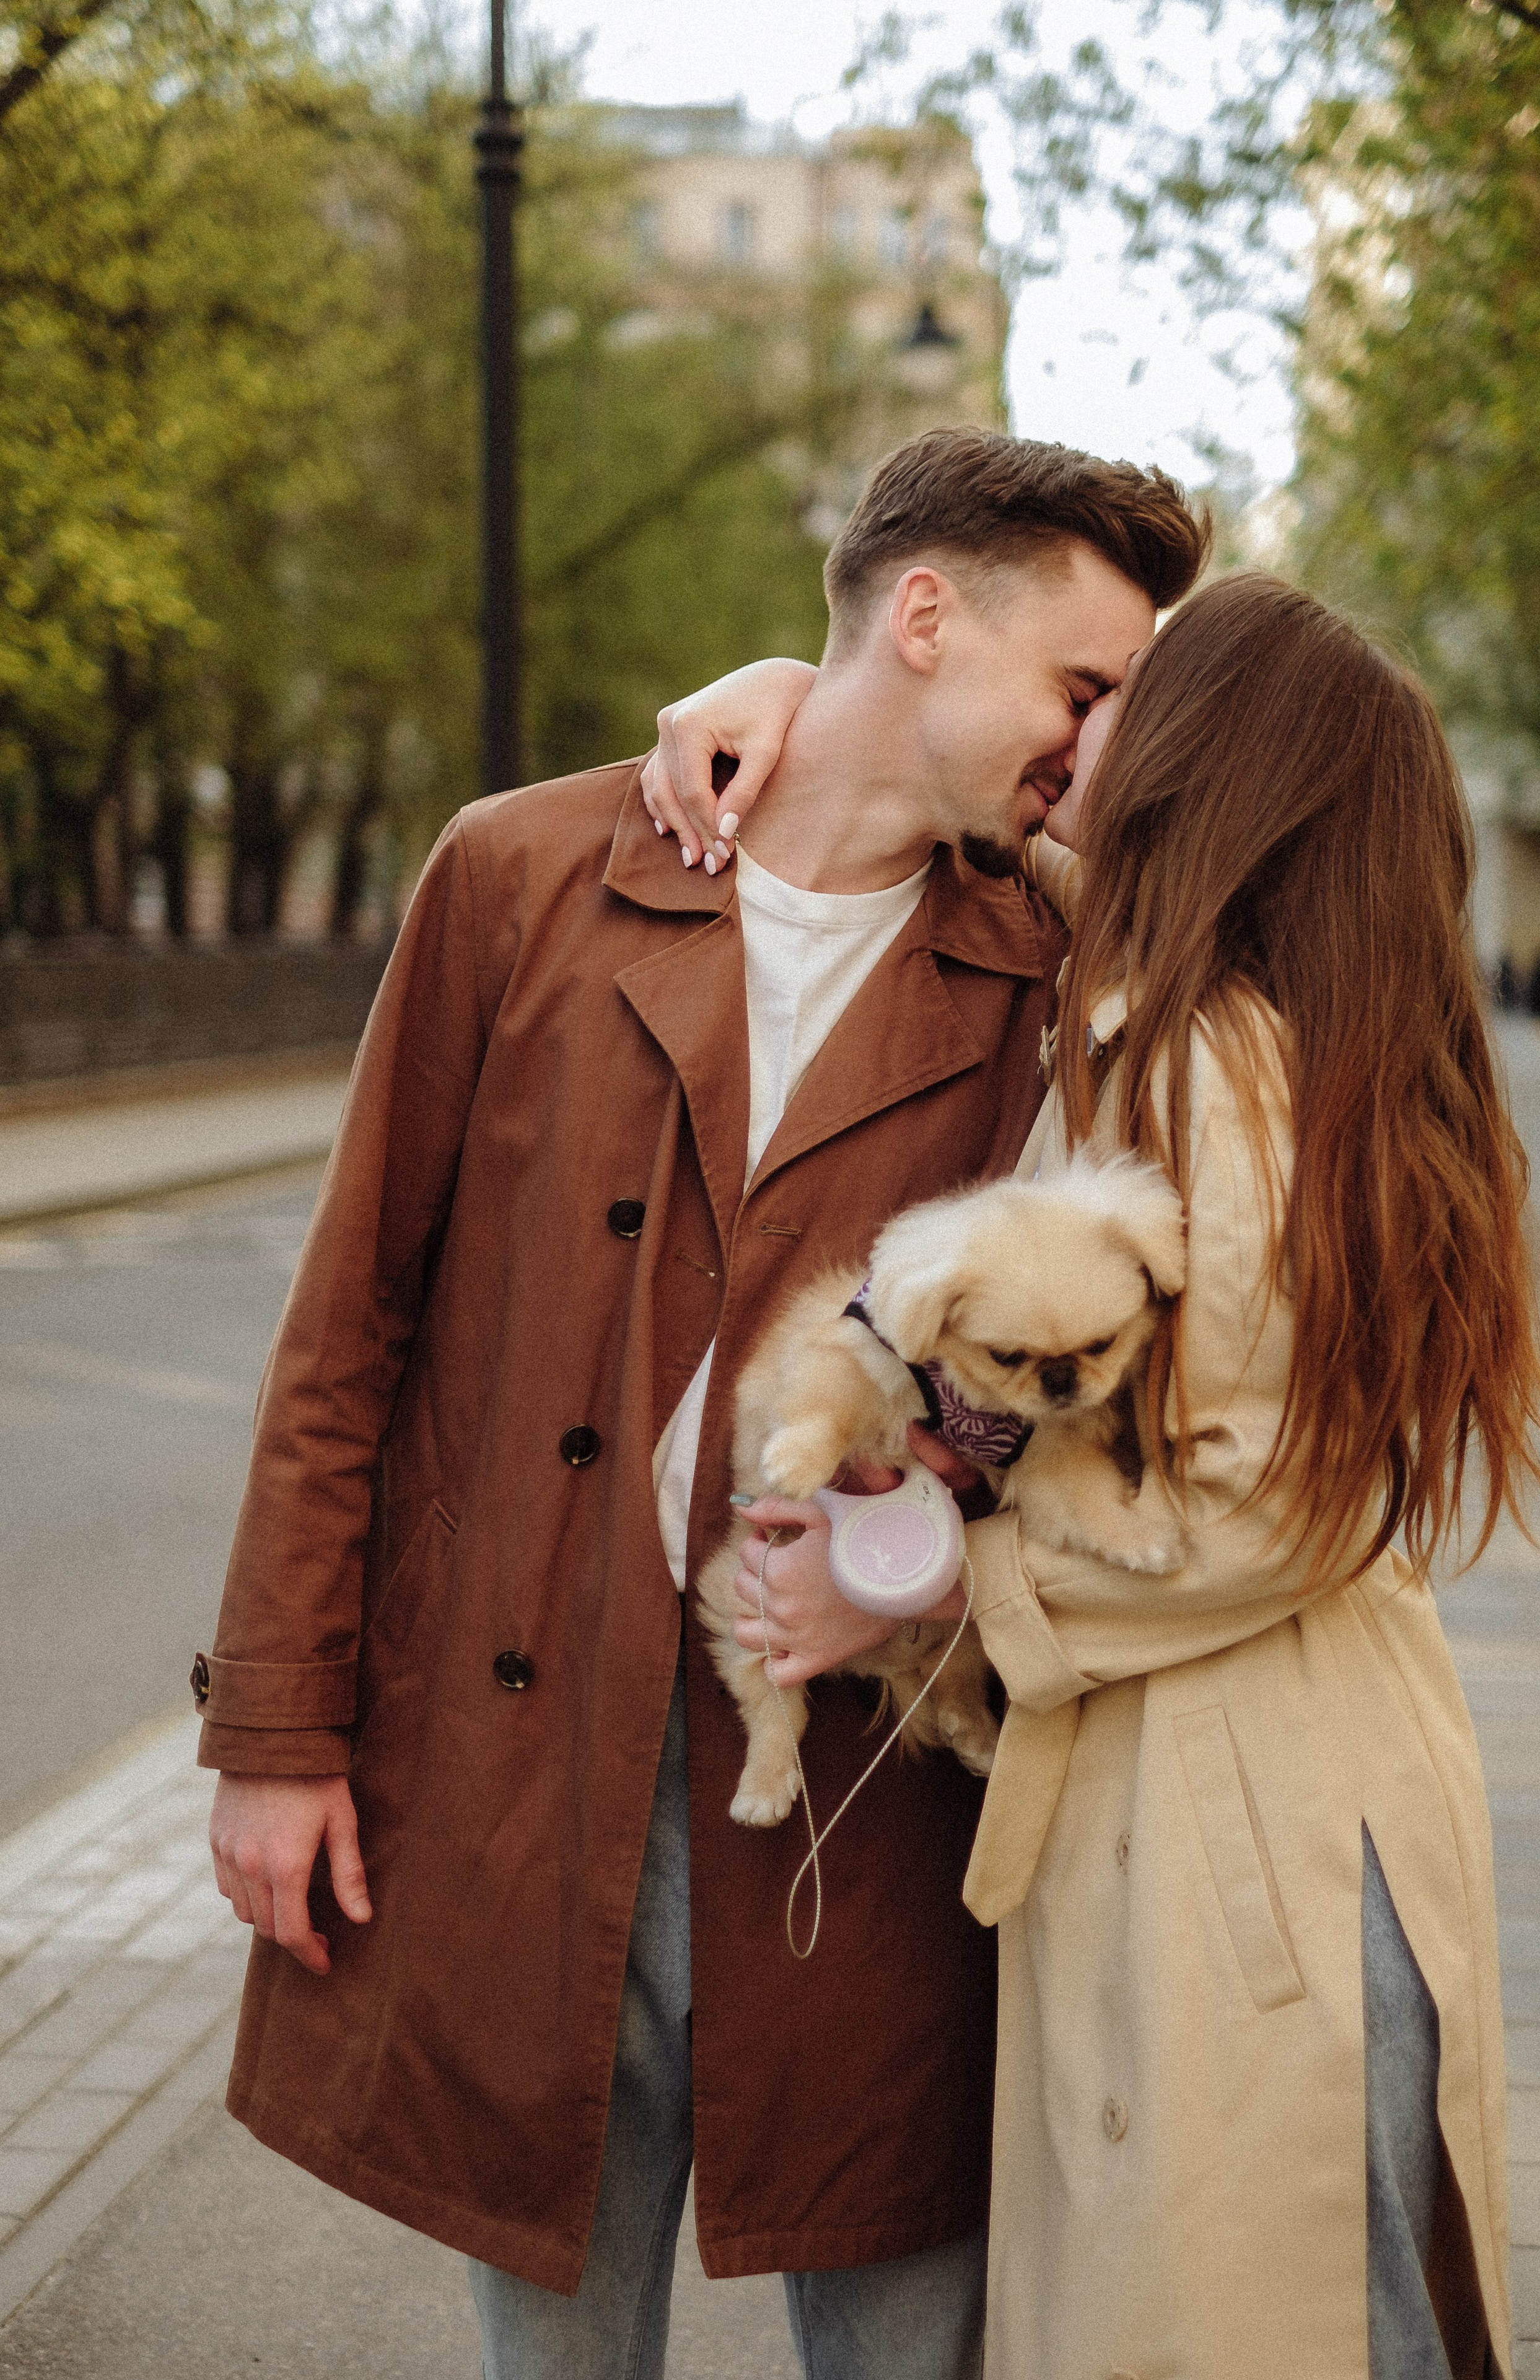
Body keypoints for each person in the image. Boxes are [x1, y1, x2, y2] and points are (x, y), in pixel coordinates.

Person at [196, 427, 1209, 2378]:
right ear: (924, 614)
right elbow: (349, 1330)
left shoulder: (1053, 962)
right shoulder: (520, 871)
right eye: (1079, 689)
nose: (1091, 750)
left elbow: (1104, 1349)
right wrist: (275, 1729)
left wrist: (911, 1554)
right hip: (520, 1745)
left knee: (905, 2335)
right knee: (555, 2349)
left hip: (863, 1778)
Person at [642, 569, 1540, 2379]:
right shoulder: (1237, 1010)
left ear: (1213, 764)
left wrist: (897, 1576)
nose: (1079, 728)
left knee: (1274, 2321)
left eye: (1128, 698)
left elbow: (1283, 1506)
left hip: (1253, 1842)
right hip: (1276, 1795)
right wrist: (809, 694)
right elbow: (988, 809)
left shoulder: (1217, 1063)